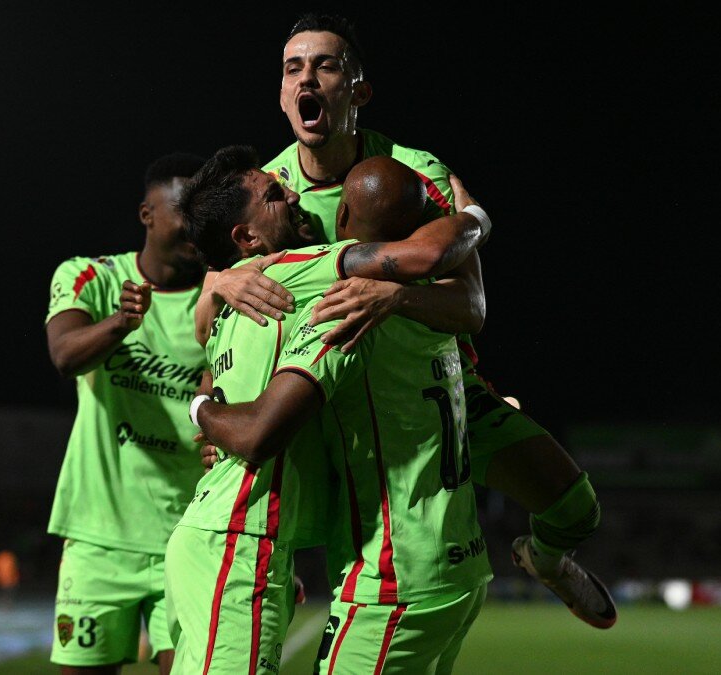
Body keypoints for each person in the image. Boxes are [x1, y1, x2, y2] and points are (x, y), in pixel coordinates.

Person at [206, 12, 616, 631]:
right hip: (331, 395)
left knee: (577, 509)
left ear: (358, 91)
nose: (306, 79)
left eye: (325, 65)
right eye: (293, 69)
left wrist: (394, 298)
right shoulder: (269, 189)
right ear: (283, 96)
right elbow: (210, 310)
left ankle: (547, 559)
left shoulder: (411, 172)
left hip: (433, 385)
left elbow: (470, 307)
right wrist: (216, 281)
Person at [164, 147, 490, 674]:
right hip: (240, 541)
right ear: (247, 237)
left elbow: (208, 361)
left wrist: (203, 397)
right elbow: (429, 256)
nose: (295, 194)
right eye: (275, 194)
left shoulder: (230, 302)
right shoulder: (305, 273)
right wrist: (472, 216)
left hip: (213, 535)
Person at [43, 152, 209, 675]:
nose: (196, 225)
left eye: (205, 212)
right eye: (184, 210)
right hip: (98, 537)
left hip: (186, 537)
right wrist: (120, 323)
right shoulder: (90, 276)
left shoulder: (221, 299)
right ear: (147, 214)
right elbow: (65, 356)